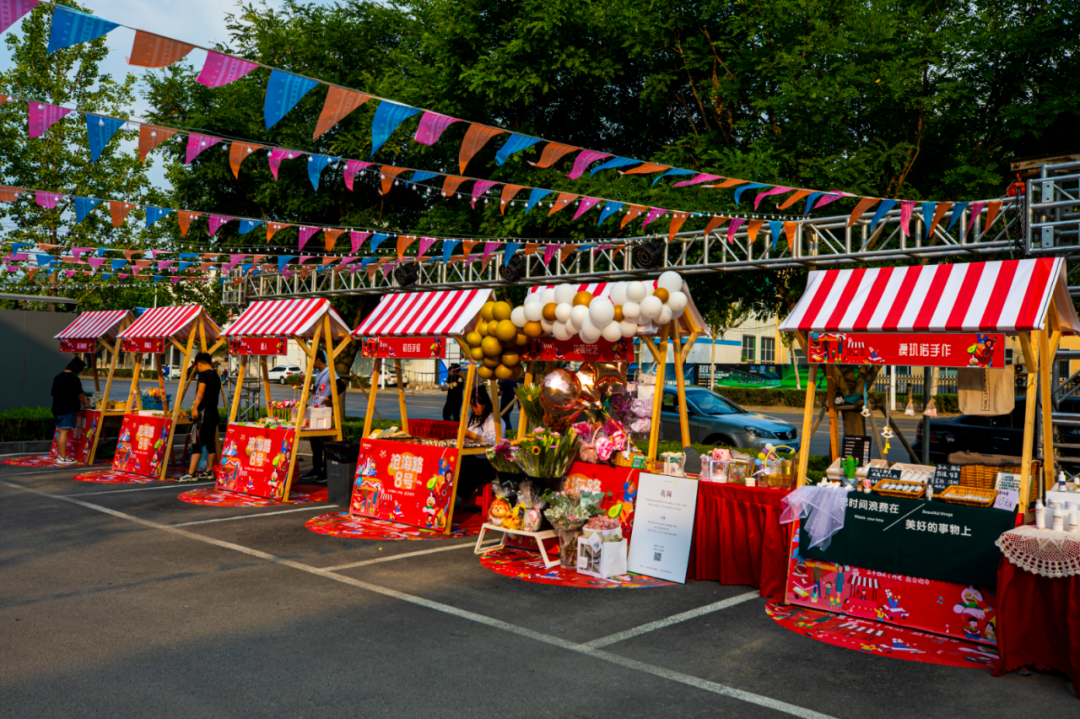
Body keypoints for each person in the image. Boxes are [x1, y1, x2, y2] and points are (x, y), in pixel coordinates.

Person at [178, 352, 221, 482]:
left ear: (200, 364)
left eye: (197, 367)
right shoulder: (216, 375)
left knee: (196, 442)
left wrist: (195, 408)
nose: (197, 369)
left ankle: (191, 474)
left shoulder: (202, 374)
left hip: (202, 413)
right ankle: (209, 471)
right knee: (210, 444)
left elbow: (201, 392)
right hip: (213, 413)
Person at [51, 357, 91, 464]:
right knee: (65, 432)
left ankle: (61, 456)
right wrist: (86, 404)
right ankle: (63, 457)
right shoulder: (74, 379)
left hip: (57, 408)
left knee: (60, 432)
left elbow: (53, 393)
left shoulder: (57, 377)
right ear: (77, 369)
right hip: (68, 409)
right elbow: (81, 395)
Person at [303, 350, 333, 482]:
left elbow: (341, 386)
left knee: (323, 441)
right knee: (314, 442)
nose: (311, 364)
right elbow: (317, 390)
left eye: (312, 361)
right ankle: (316, 469)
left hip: (323, 412)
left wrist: (329, 399)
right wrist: (304, 382)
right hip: (315, 410)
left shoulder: (330, 372)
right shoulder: (318, 374)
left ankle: (327, 473)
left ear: (318, 360)